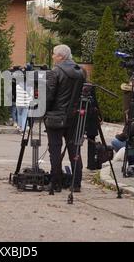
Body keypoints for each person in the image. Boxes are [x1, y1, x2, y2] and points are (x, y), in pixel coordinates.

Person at [45, 44, 85, 193]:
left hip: (56, 117)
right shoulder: (81, 71)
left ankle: (56, 182)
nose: (53, 57)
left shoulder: (55, 72)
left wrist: (44, 112)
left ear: (61, 56)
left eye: (54, 54)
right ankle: (76, 183)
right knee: (74, 149)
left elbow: (49, 96)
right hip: (75, 116)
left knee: (55, 149)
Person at [15, 68, 34, 133]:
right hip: (26, 104)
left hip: (18, 103)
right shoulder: (30, 87)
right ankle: (23, 129)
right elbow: (31, 95)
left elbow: (16, 94)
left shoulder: (17, 86)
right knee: (24, 116)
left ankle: (20, 127)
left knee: (19, 115)